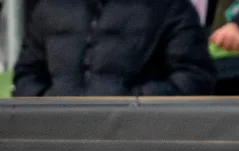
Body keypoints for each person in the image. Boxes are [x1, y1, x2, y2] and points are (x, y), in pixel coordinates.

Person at [13, 0, 216, 96]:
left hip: (132, 147)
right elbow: (26, 75)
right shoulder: (49, 7)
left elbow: (194, 78)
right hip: (56, 145)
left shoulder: (170, 7)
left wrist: (132, 101)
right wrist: (48, 102)